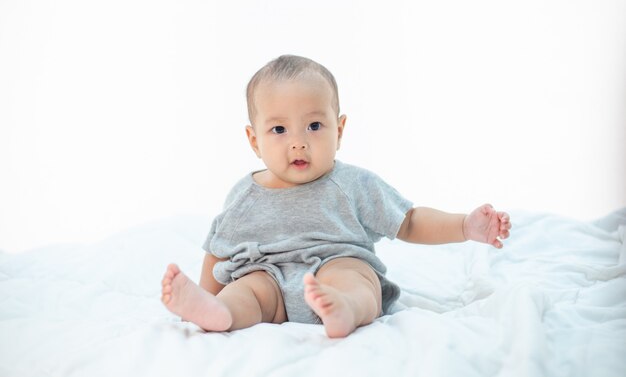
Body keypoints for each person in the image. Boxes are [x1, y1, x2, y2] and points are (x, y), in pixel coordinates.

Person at [161, 55, 512, 338]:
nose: (298, 141)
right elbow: (218, 251)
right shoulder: (244, 196)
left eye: (314, 126)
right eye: (279, 129)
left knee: (354, 278)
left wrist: (465, 226)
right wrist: (209, 293)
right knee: (248, 290)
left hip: (336, 262)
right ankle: (218, 314)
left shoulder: (351, 183)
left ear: (339, 130)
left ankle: (343, 307)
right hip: (269, 276)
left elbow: (410, 221)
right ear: (255, 141)